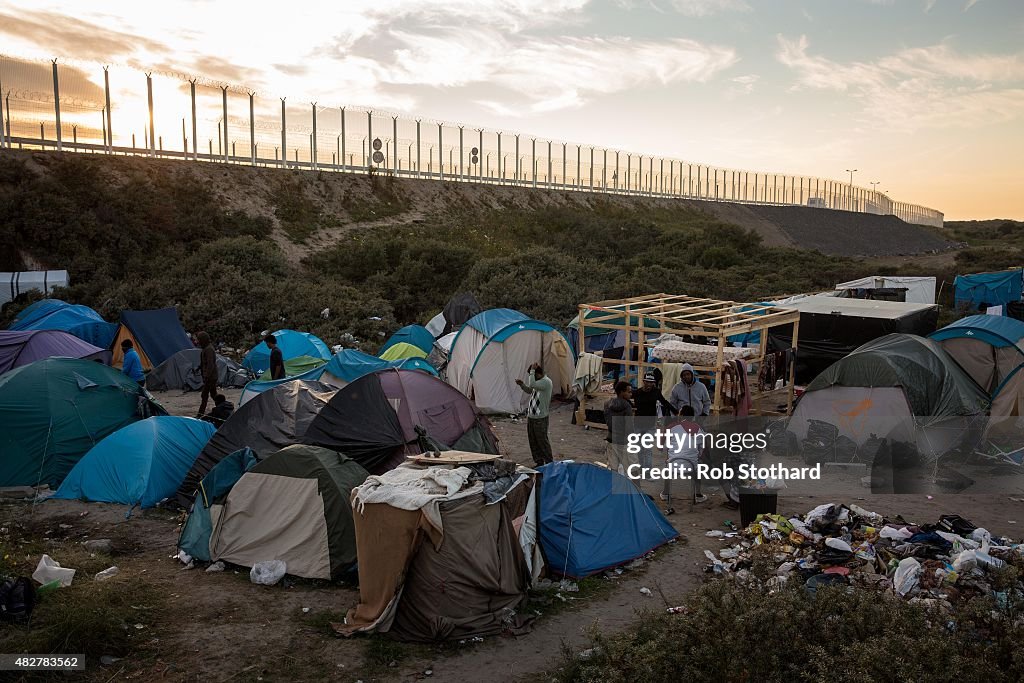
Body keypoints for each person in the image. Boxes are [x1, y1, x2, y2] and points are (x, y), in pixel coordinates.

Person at [662, 406, 708, 505]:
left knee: (667, 465)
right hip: (691, 466)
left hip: (674, 465)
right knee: (698, 466)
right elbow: (702, 448)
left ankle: (666, 493)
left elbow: (662, 447)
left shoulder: (671, 427)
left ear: (681, 414)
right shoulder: (698, 428)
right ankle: (698, 494)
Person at [515, 362, 553, 466]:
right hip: (532, 417)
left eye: (533, 375)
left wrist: (532, 370)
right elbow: (530, 390)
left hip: (540, 418)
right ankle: (539, 462)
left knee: (542, 441)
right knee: (533, 441)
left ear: (538, 374)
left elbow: (532, 384)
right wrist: (522, 385)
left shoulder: (546, 382)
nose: (531, 377)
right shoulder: (539, 382)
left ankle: (549, 463)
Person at [603, 380, 634, 474]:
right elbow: (629, 426)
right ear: (621, 392)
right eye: (628, 392)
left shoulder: (607, 403)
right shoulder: (627, 406)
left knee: (613, 466)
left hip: (610, 438)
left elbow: (607, 420)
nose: (630, 394)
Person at [196, 331, 218, 417]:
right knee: (213, 394)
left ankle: (200, 414)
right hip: (210, 376)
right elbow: (204, 362)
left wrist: (207, 376)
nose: (198, 341)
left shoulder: (209, 349)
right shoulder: (206, 348)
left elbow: (210, 364)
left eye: (199, 340)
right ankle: (224, 407)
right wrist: (199, 368)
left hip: (210, 377)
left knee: (204, 395)